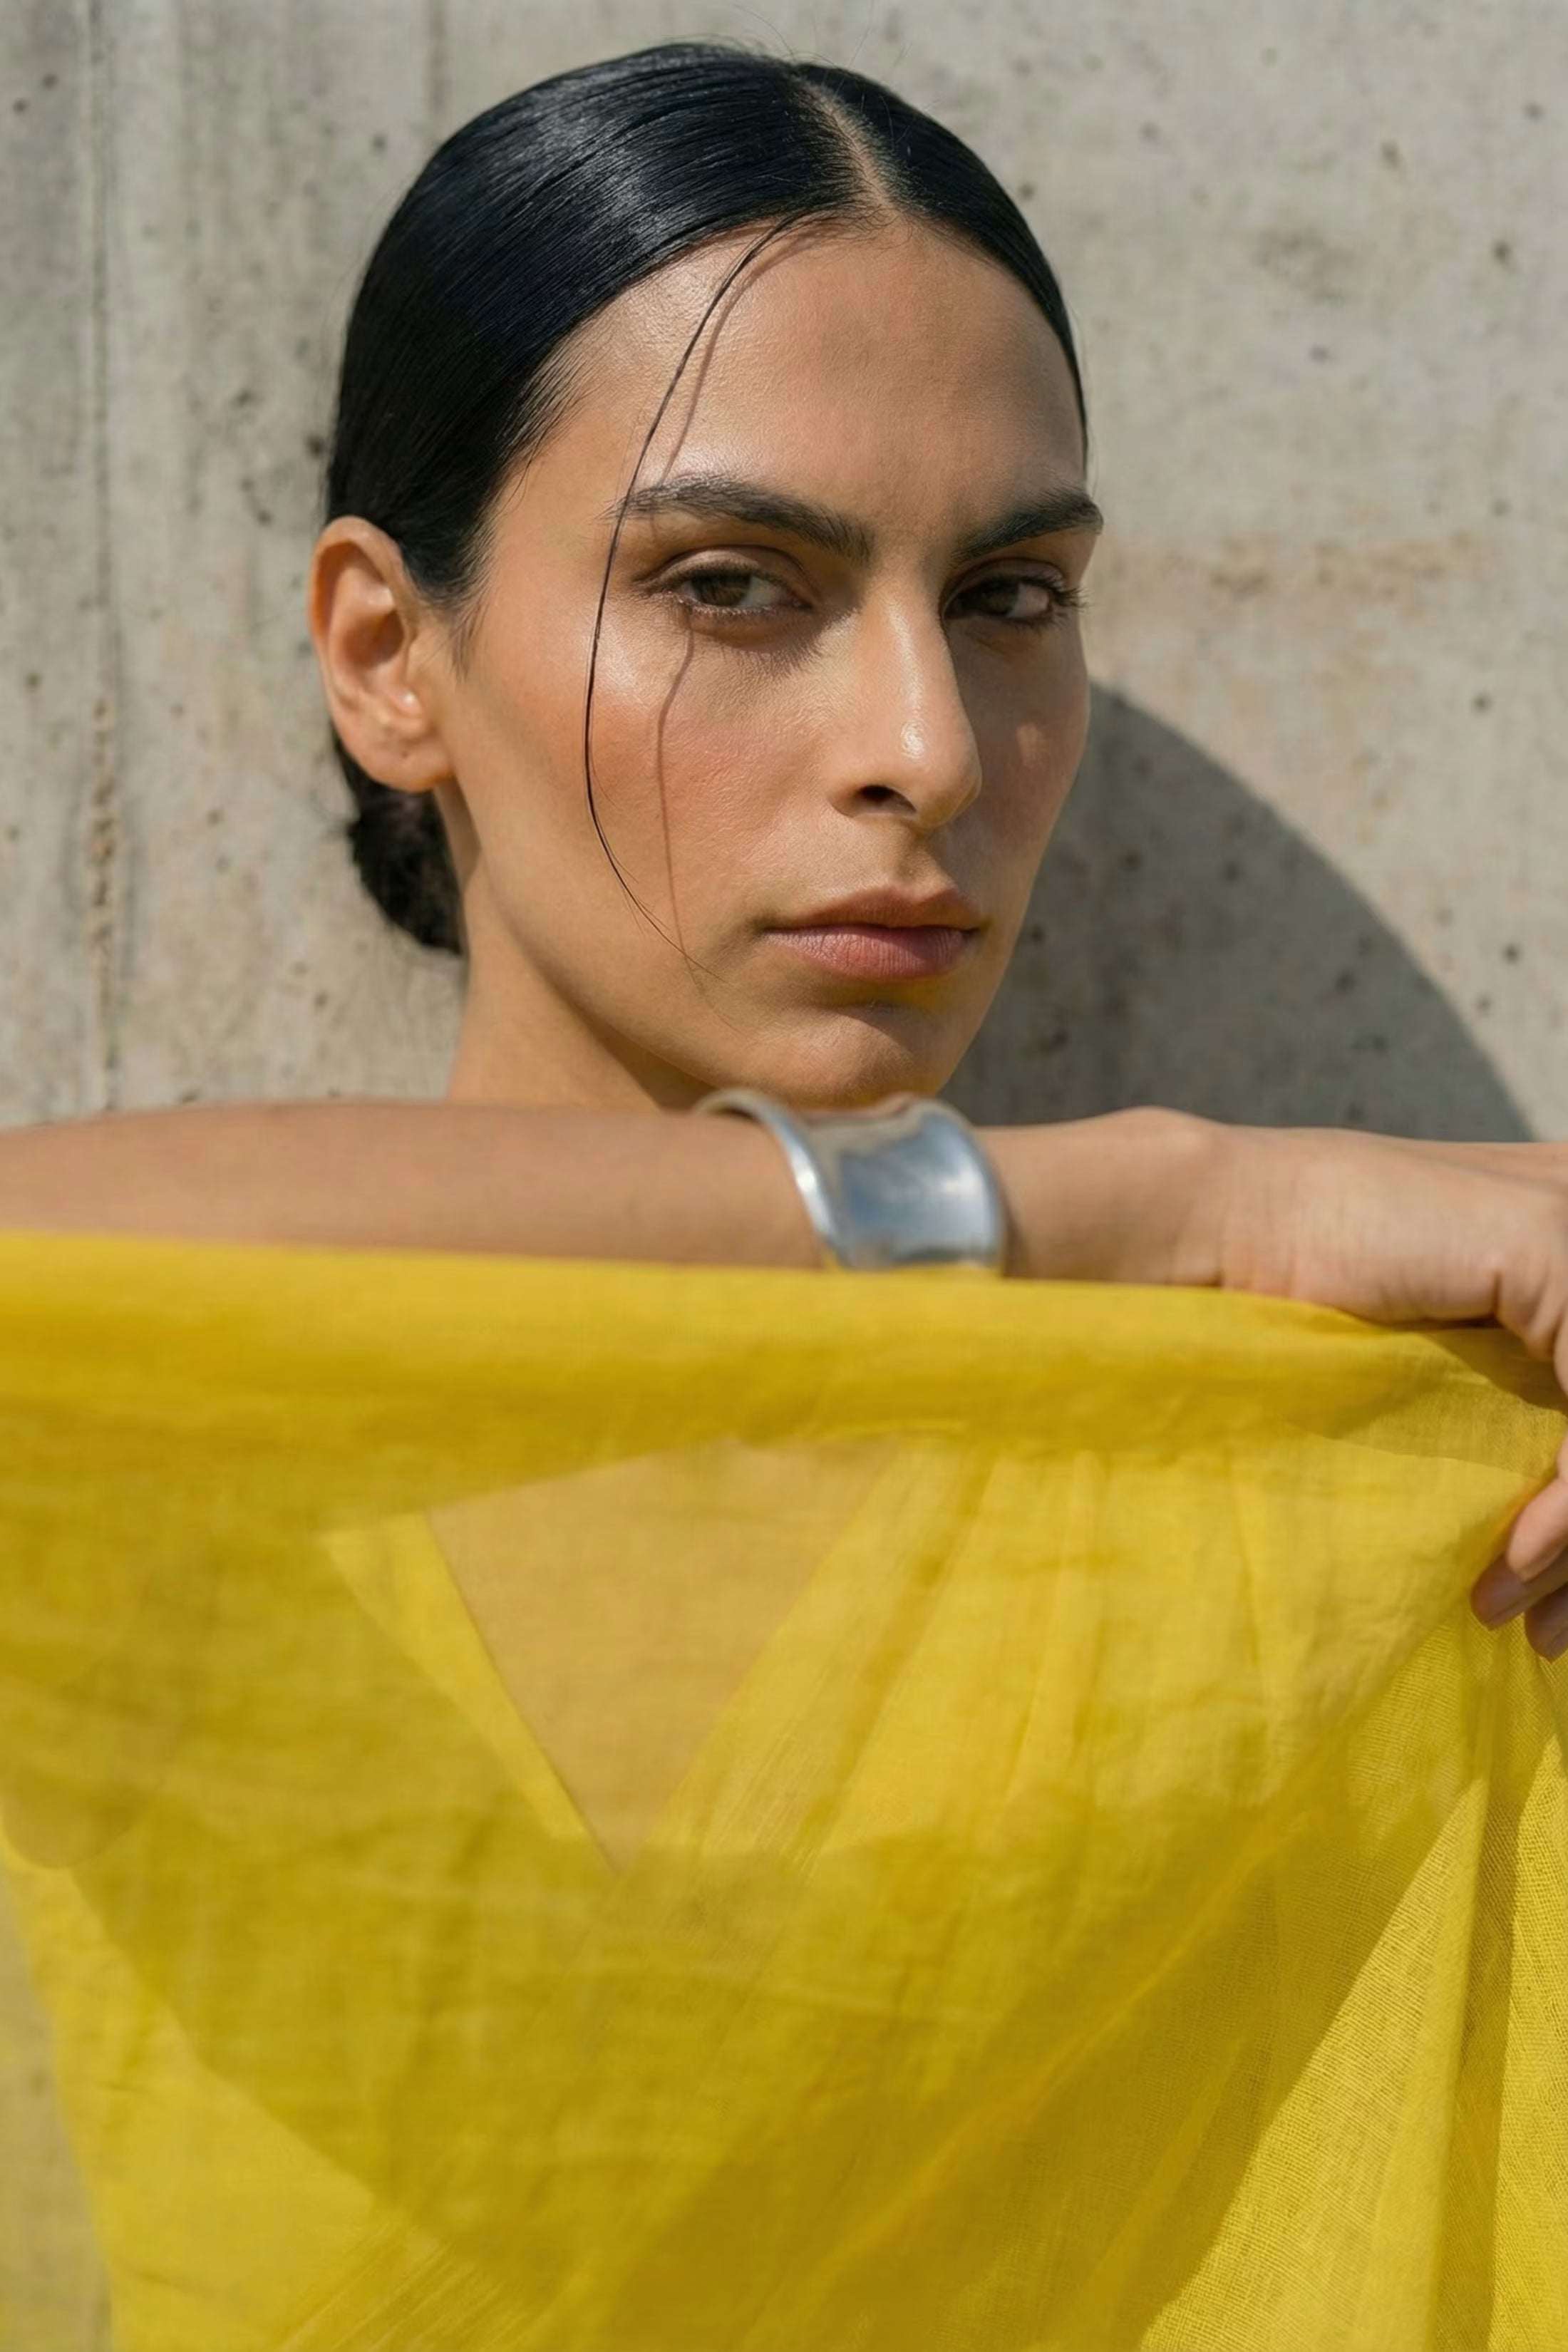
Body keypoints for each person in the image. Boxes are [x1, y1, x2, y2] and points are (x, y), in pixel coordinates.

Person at [2, 34, 1566, 1660]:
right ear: (388, 657)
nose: (931, 752)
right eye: (728, 585)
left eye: (1008, 598)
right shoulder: (140, 1444)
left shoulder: (1376, 1503)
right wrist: (1182, 1199)